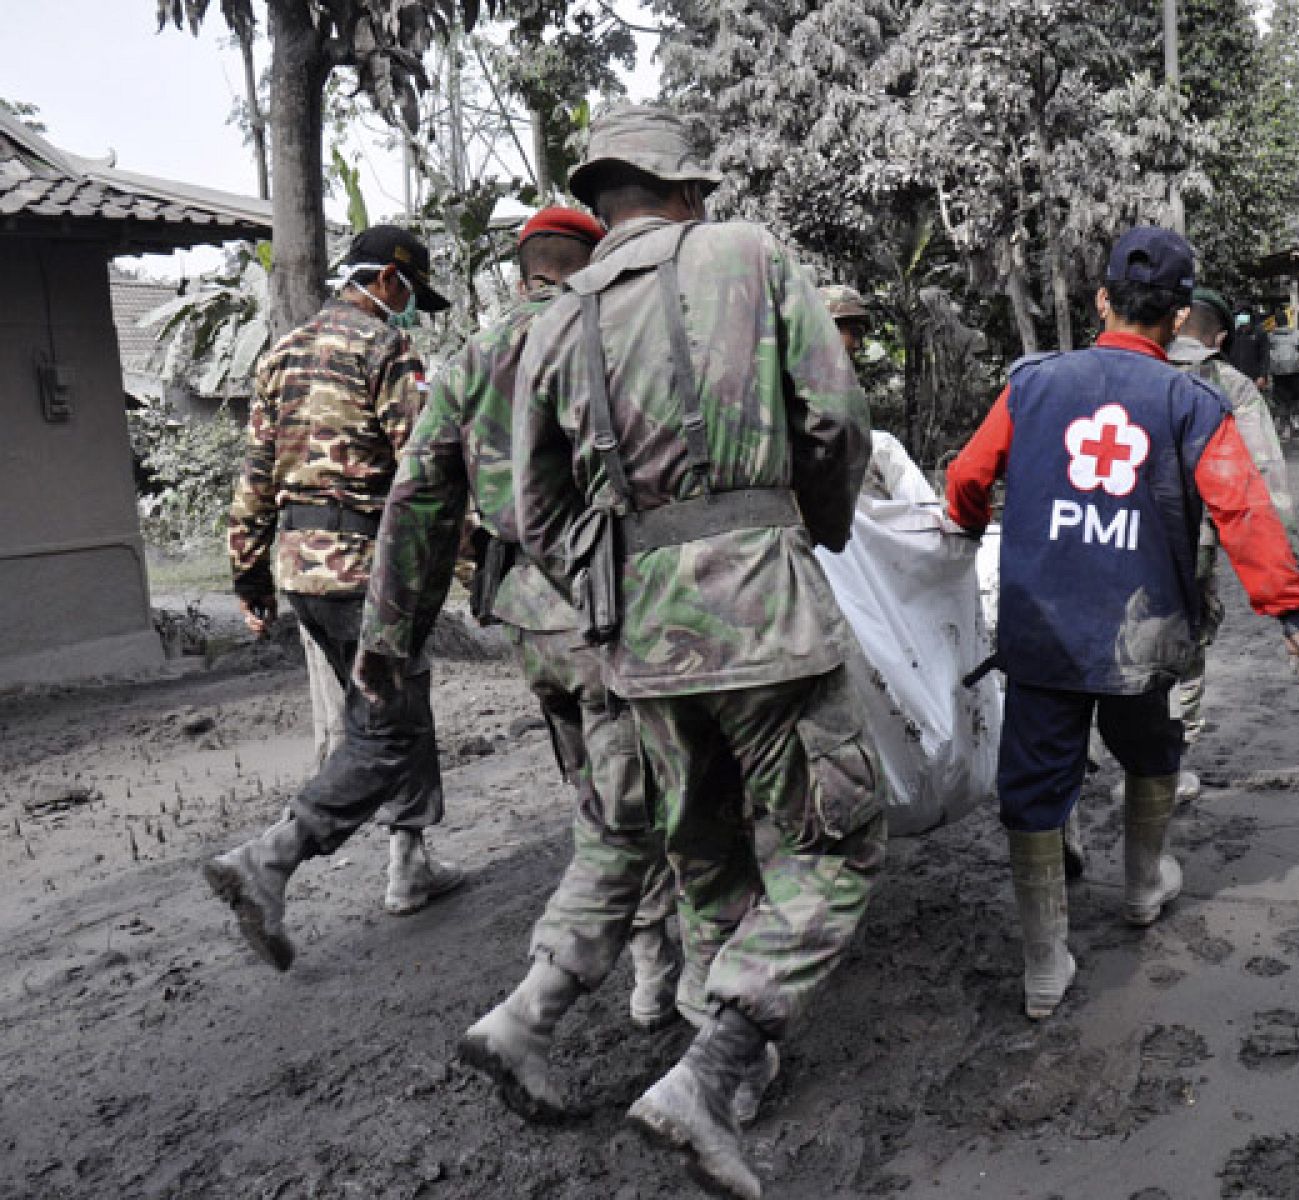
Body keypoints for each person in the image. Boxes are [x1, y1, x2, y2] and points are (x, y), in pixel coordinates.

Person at [510, 105, 885, 1200]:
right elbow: (834, 418)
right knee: (833, 851)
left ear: (603, 200)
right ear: (684, 192)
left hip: (641, 634)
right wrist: (809, 529)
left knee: (704, 846)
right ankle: (711, 1073)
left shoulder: (555, 314)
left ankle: (732, 1069)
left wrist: (613, 577)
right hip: (764, 611)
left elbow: (531, 504)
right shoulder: (750, 254)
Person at [347, 209, 706, 1119]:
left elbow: (419, 497)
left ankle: (652, 981)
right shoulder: (603, 330)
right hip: (609, 614)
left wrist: (390, 639)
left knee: (605, 798)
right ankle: (651, 998)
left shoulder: (470, 356)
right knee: (661, 807)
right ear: (591, 264)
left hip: (527, 625)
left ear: (517, 273)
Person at [944, 227, 1299, 1023]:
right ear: (1182, 315)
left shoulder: (1033, 385)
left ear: (1102, 300)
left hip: (1043, 631)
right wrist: (1291, 612)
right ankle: (1145, 885)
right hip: (1141, 633)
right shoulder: (1193, 402)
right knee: (1153, 748)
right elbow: (1244, 509)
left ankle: (1045, 964)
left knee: (1036, 784)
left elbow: (969, 476)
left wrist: (963, 517)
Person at [206, 226, 463, 970]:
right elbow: (427, 468)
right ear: (387, 280)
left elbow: (254, 477)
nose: (410, 307)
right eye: (409, 291)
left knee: (392, 709)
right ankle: (270, 857)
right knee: (387, 731)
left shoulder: (278, 354)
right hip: (367, 569)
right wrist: (475, 556)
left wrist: (250, 578)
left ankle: (409, 863)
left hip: (301, 572)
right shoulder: (386, 350)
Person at [1166, 287, 1299, 752]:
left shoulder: (1123, 371)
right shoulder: (1230, 386)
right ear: (1220, 338)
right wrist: (1289, 600)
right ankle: (1169, 761)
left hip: (1106, 538)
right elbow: (1263, 486)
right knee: (1186, 641)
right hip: (1190, 545)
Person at [1265, 307, 1299, 437]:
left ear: (1276, 322)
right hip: (1295, 371)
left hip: (1278, 373)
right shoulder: (1297, 334)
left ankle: (1285, 426)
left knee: (1282, 400)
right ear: (1287, 321)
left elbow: (1265, 354)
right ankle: (1298, 421)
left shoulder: (1270, 337)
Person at [1226, 308, 1270, 395]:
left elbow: (1265, 356)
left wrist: (1262, 376)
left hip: (1254, 378)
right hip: (1236, 378)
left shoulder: (1259, 333)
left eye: (1246, 324)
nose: (1244, 327)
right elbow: (1230, 354)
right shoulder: (1234, 334)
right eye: (1242, 324)